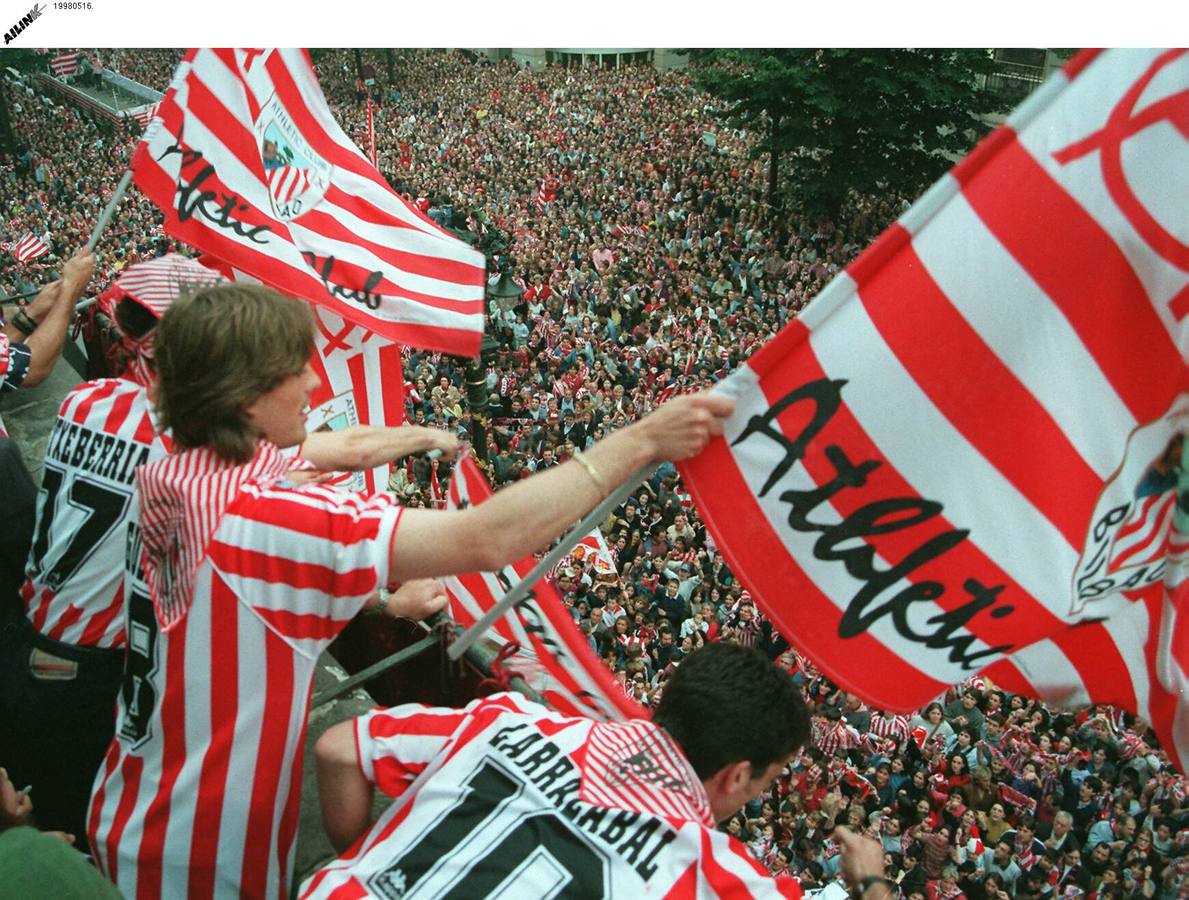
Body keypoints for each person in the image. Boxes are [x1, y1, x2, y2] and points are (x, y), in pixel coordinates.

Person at [86, 283, 735, 899]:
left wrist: (427, 442)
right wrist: (641, 439)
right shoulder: (266, 521)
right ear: (246, 398)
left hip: (135, 789)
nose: (315, 382)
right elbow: (487, 537)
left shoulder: (177, 471)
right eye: (295, 368)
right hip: (201, 852)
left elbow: (340, 454)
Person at [303, 643, 893, 898]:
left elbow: (337, 748)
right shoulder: (714, 874)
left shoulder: (513, 719)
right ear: (738, 776)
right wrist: (869, 881)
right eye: (766, 780)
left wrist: (372, 856)